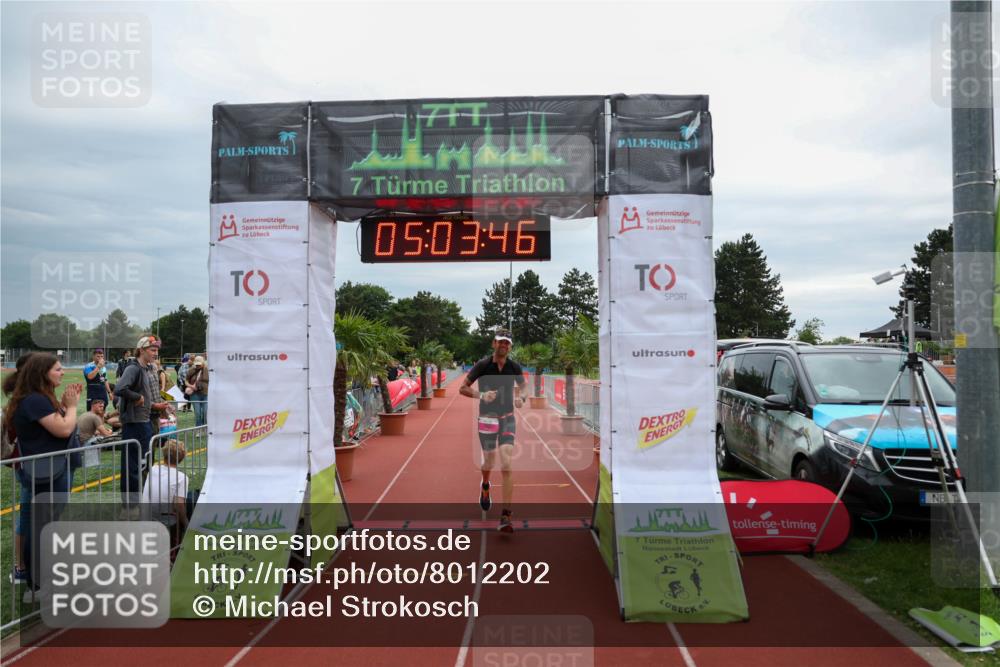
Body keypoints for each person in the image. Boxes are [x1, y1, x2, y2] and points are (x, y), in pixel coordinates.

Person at [2, 353, 82, 587]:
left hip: (52, 469)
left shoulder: (39, 398)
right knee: (42, 526)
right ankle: (38, 581)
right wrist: (72, 407)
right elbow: (64, 430)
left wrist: (67, 406)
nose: (63, 372)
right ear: (42, 373)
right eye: (58, 369)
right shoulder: (34, 400)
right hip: (47, 471)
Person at [459, 328, 526, 533]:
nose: (503, 345)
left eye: (507, 342)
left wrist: (520, 398)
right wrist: (481, 395)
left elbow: (523, 387)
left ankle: (506, 515)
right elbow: (463, 387)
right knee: (489, 462)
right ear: (493, 344)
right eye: (500, 342)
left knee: (506, 464)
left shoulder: (514, 367)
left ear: (510, 346)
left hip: (507, 419)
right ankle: (485, 485)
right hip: (487, 420)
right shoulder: (482, 365)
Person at [117, 335, 170, 509]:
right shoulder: (133, 368)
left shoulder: (145, 368)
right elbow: (119, 388)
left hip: (144, 420)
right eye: (152, 350)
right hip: (135, 422)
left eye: (157, 350)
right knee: (134, 465)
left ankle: (140, 500)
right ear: (142, 350)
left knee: (144, 462)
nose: (155, 353)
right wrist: (136, 396)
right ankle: (131, 505)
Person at [142, 439, 189, 545]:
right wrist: (186, 522)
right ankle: (176, 549)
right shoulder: (181, 478)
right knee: (186, 510)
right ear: (181, 458)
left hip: (146, 515)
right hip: (162, 519)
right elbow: (179, 505)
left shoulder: (153, 469)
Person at [185, 356, 209, 428]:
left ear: (203, 363)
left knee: (205, 412)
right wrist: (191, 386)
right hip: (195, 394)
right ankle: (198, 428)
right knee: (198, 413)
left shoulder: (208, 370)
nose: (198, 366)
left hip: (205, 394)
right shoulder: (191, 370)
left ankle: (205, 427)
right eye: (196, 364)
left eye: (199, 364)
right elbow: (186, 381)